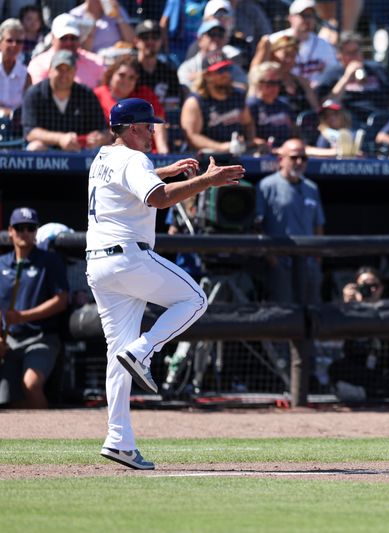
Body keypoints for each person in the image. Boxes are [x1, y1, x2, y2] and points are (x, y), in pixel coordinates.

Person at [86, 98, 244, 469]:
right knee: (196, 299)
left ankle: (119, 439)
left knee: (117, 354)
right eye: (148, 125)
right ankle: (145, 351)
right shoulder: (134, 159)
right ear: (134, 128)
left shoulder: (103, 156)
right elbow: (157, 200)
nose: (154, 130)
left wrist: (167, 170)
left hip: (98, 264)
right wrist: (207, 181)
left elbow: (135, 183)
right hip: (128, 257)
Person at [0, 207, 69, 409]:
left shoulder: (49, 261)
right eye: (20, 228)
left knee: (31, 385)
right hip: (8, 340)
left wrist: (22, 317)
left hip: (42, 338)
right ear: (11, 230)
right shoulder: (1, 263)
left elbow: (61, 300)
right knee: (8, 401)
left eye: (30, 228)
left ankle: (48, 436)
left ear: (36, 231)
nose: (25, 232)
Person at [255, 137, 325, 304]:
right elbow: (257, 226)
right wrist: (271, 258)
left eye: (304, 158)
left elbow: (318, 224)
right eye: (294, 157)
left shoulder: (312, 188)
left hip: (308, 261)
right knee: (283, 309)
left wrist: (317, 257)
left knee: (312, 308)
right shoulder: (266, 186)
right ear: (281, 159)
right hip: (281, 261)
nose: (299, 162)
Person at [330, 266, 389, 401]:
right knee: (336, 368)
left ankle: (375, 393)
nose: (370, 290)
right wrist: (348, 305)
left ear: (381, 288)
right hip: (360, 368)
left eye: (375, 286)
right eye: (364, 286)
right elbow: (334, 339)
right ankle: (372, 393)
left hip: (385, 369)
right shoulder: (348, 310)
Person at [22, 50, 110, 152]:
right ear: (50, 71)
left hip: (80, 150)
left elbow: (103, 130)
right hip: (47, 150)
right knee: (35, 147)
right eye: (59, 69)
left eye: (68, 69)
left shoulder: (86, 94)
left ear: (75, 72)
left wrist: (98, 138)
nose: (64, 74)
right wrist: (60, 139)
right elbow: (30, 132)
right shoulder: (35, 93)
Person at [180, 49, 258, 154]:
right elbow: (192, 136)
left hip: (236, 154)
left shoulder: (238, 95)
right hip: (205, 159)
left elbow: (248, 123)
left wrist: (249, 142)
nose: (225, 74)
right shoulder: (195, 102)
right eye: (220, 71)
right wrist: (221, 147)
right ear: (206, 75)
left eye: (227, 68)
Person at [315, 31, 389, 126]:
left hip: (379, 118)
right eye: (349, 53)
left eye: (356, 51)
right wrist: (346, 77)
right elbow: (327, 102)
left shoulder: (376, 69)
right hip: (349, 122)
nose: (354, 56)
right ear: (339, 55)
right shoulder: (332, 73)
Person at [94, 56, 169, 154]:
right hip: (110, 153)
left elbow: (158, 124)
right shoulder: (97, 95)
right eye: (121, 75)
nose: (126, 81)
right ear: (111, 74)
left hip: (147, 153)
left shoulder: (144, 94)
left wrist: (163, 152)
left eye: (131, 77)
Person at [264, 0, 339, 89]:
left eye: (312, 16)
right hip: (284, 91)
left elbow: (333, 71)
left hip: (317, 92)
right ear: (291, 18)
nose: (308, 20)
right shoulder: (274, 40)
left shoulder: (324, 44)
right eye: (304, 15)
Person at [27, 13, 105, 88]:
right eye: (63, 38)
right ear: (53, 38)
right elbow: (39, 95)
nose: (69, 43)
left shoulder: (96, 62)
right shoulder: (39, 64)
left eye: (73, 38)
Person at [247, 60, 299, 152]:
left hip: (288, 151)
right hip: (264, 153)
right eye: (270, 83)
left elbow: (295, 133)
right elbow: (250, 138)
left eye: (278, 83)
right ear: (258, 84)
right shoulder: (252, 105)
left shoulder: (284, 105)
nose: (275, 87)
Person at [133, 19, 184, 113]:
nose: (150, 41)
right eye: (145, 37)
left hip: (160, 121)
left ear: (161, 41)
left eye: (155, 37)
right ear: (136, 41)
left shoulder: (169, 72)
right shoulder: (130, 70)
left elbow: (171, 108)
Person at [69, 0, 136, 55]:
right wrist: (92, 27)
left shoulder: (118, 11)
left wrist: (119, 17)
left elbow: (132, 41)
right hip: (91, 63)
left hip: (116, 60)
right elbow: (82, 50)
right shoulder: (75, 15)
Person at [0, 18, 30, 120]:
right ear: (0, 42)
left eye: (19, 41)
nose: (14, 45)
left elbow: (27, 105)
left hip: (15, 127)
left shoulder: (25, 74)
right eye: (9, 40)